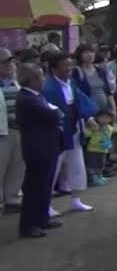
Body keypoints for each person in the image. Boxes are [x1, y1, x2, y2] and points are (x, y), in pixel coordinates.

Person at [43, 52, 99, 214]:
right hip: (57, 133)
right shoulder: (48, 87)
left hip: (74, 128)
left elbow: (80, 102)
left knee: (77, 166)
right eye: (65, 65)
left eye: (70, 64)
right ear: (54, 68)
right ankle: (46, 205)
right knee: (54, 168)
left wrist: (88, 117)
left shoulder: (71, 83)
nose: (69, 68)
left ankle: (76, 199)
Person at [15, 63, 63, 238]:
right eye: (40, 76)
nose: (43, 79)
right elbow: (53, 114)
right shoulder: (27, 98)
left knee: (45, 186)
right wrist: (57, 113)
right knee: (35, 188)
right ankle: (29, 225)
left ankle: (42, 218)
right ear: (32, 79)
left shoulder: (37, 96)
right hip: (37, 149)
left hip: (46, 146)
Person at [0, 48, 22, 214]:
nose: (10, 65)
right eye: (5, 62)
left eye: (11, 61)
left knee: (18, 166)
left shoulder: (17, 82)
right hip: (2, 132)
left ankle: (12, 199)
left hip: (19, 129)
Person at [84, 110, 117, 186]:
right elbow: (87, 134)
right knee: (92, 165)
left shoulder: (109, 128)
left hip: (103, 150)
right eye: (102, 118)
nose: (104, 120)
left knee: (101, 164)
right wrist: (89, 124)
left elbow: (116, 129)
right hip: (93, 149)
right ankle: (93, 178)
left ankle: (100, 176)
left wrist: (114, 120)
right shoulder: (94, 127)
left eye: (107, 118)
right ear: (97, 118)